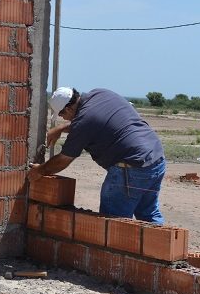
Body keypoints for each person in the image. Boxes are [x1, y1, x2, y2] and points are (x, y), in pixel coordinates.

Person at [28, 87, 167, 224]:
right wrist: (62, 128)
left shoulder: (83, 124)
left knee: (113, 223)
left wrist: (40, 170)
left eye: (61, 114)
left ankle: (115, 246)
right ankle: (164, 245)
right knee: (148, 214)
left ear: (69, 109)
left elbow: (63, 160)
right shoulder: (100, 93)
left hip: (131, 168)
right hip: (156, 159)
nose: (61, 117)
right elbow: (98, 119)